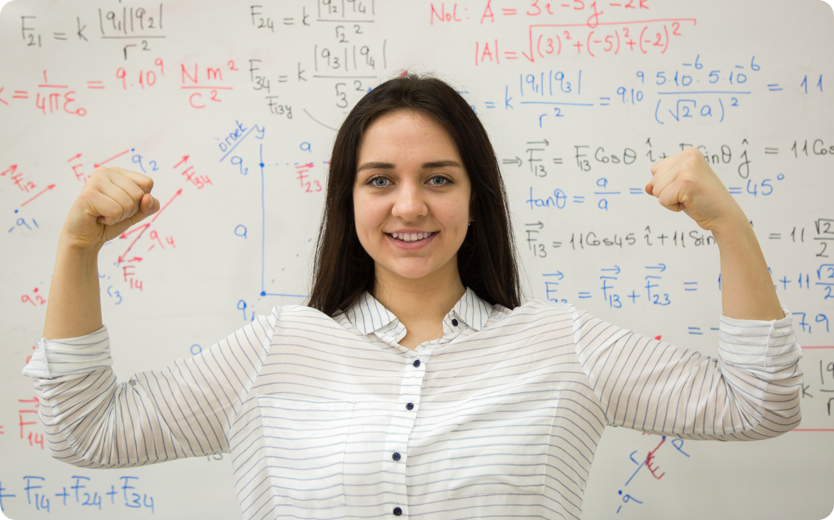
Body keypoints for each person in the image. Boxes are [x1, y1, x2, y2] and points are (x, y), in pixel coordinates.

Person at [23, 73, 802, 520]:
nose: (408, 206)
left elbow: (758, 403)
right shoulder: (276, 350)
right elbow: (85, 433)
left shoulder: (560, 345)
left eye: (438, 178)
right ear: (346, 202)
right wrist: (77, 248)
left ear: (475, 200)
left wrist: (727, 224)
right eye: (379, 181)